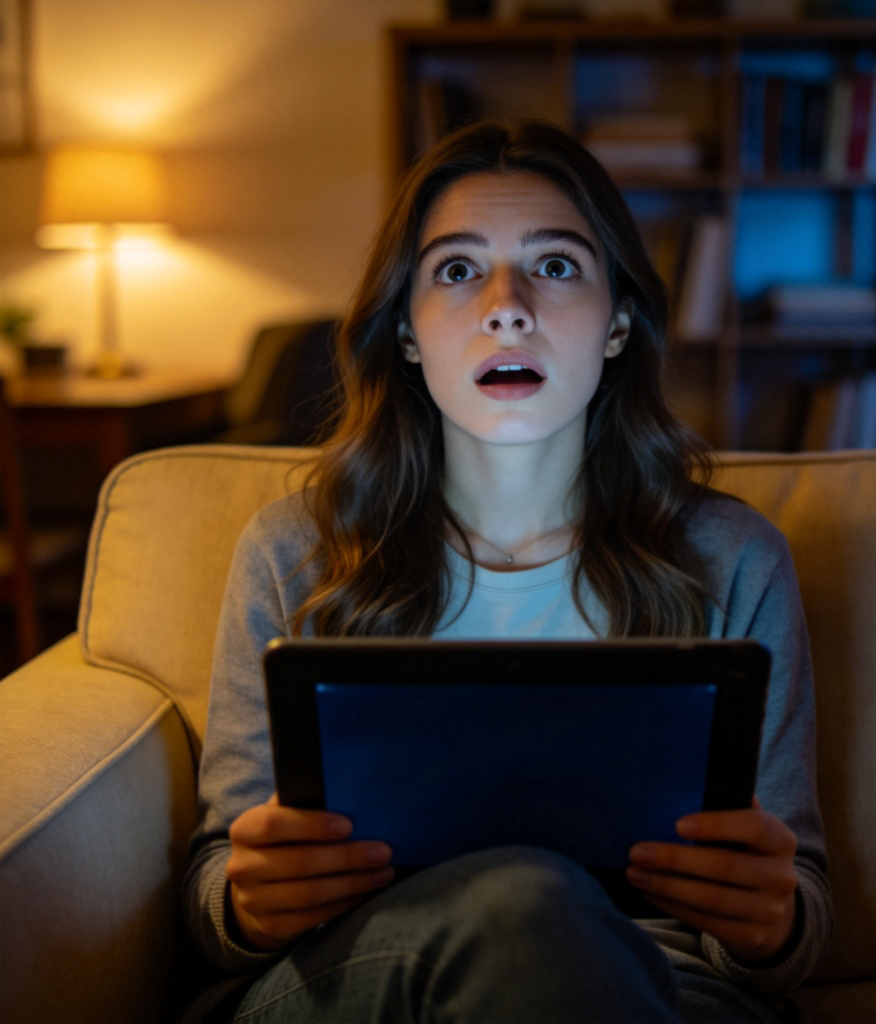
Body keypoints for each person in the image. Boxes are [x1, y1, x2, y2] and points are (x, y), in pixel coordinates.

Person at [183, 118, 831, 1023]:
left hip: (660, 984)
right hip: (365, 972)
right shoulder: (292, 552)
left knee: (547, 925)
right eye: (456, 270)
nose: (506, 305)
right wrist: (247, 906)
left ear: (619, 323)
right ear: (405, 332)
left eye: (556, 266)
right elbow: (220, 890)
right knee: (523, 907)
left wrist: (769, 922)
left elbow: (792, 902)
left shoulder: (735, 558)